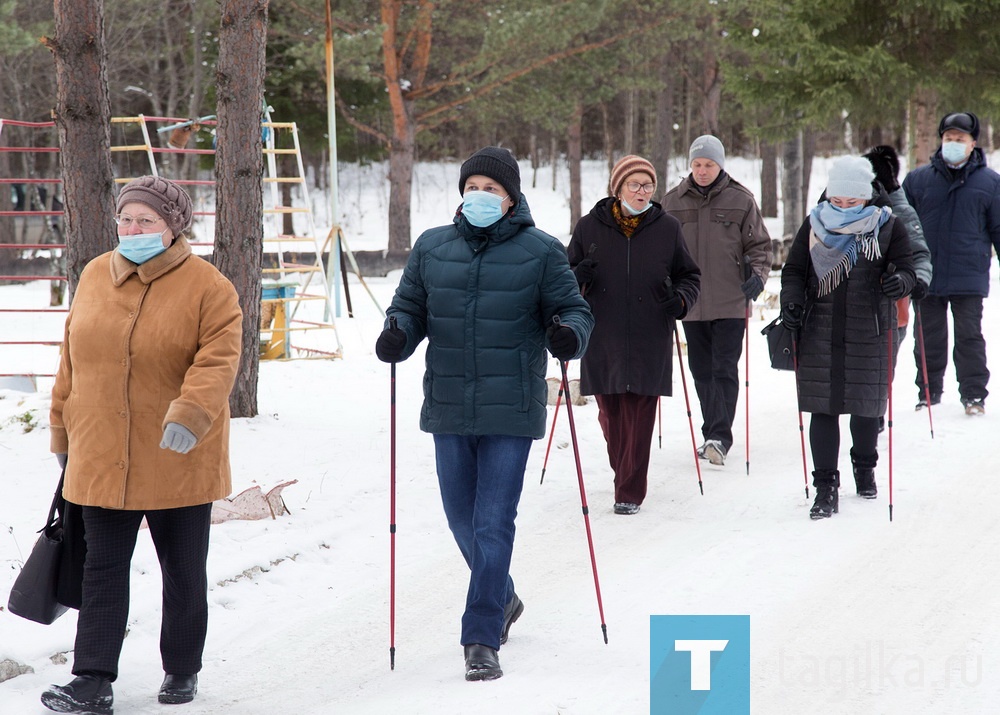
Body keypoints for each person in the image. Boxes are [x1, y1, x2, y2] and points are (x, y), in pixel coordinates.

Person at [374, 147, 593, 682]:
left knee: (493, 522)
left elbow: (574, 309)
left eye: (491, 189)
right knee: (460, 518)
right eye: (472, 186)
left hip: (510, 408)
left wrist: (568, 333)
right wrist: (398, 332)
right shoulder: (432, 247)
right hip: (449, 404)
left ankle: (480, 635)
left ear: (511, 196)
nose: (480, 196)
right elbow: (409, 306)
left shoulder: (541, 251)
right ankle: (505, 594)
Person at [42, 176, 243, 714]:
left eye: (146, 221)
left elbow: (217, 360)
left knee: (182, 569)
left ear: (173, 226)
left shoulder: (209, 286)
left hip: (178, 453)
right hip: (101, 451)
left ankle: (181, 668)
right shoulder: (92, 276)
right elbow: (71, 361)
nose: (132, 229)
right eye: (126, 219)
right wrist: (62, 427)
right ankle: (92, 679)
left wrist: (191, 414)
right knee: (101, 567)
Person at [780, 156, 915, 519]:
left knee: (865, 407)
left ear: (866, 197)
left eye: (851, 201)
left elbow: (908, 268)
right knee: (823, 408)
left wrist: (899, 281)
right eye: (837, 200)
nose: (843, 207)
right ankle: (825, 487)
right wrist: (791, 301)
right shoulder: (814, 224)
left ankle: (864, 465)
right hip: (819, 330)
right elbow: (794, 270)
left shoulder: (887, 227)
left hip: (868, 331)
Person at [567, 154, 701, 515]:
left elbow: (690, 275)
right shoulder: (588, 227)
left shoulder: (667, 227)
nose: (642, 192)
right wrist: (580, 273)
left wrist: (682, 299)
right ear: (618, 188)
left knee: (640, 415)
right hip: (603, 333)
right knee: (611, 415)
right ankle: (623, 471)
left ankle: (629, 491)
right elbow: (563, 277)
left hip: (649, 332)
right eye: (634, 184)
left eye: (648, 185)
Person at [662, 135, 772, 466]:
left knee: (724, 367)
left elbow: (760, 246)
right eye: (697, 164)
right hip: (691, 303)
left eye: (709, 164)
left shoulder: (741, 199)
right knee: (701, 369)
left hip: (730, 300)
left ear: (720, 165)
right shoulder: (672, 202)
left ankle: (719, 436)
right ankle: (712, 430)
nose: (702, 170)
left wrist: (758, 276)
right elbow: (661, 250)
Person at [901, 111, 1000, 416]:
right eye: (948, 139)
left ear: (973, 144)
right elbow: (901, 229)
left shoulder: (990, 183)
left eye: (960, 139)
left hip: (969, 275)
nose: (953, 144)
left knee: (969, 335)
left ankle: (973, 395)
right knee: (928, 336)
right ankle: (928, 394)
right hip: (926, 275)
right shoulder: (917, 181)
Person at [863, 145, 934, 431]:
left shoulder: (901, 211)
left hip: (894, 303)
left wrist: (918, 279)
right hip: (859, 302)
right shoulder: (854, 206)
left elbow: (920, 254)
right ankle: (865, 409)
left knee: (883, 361)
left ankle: (874, 413)